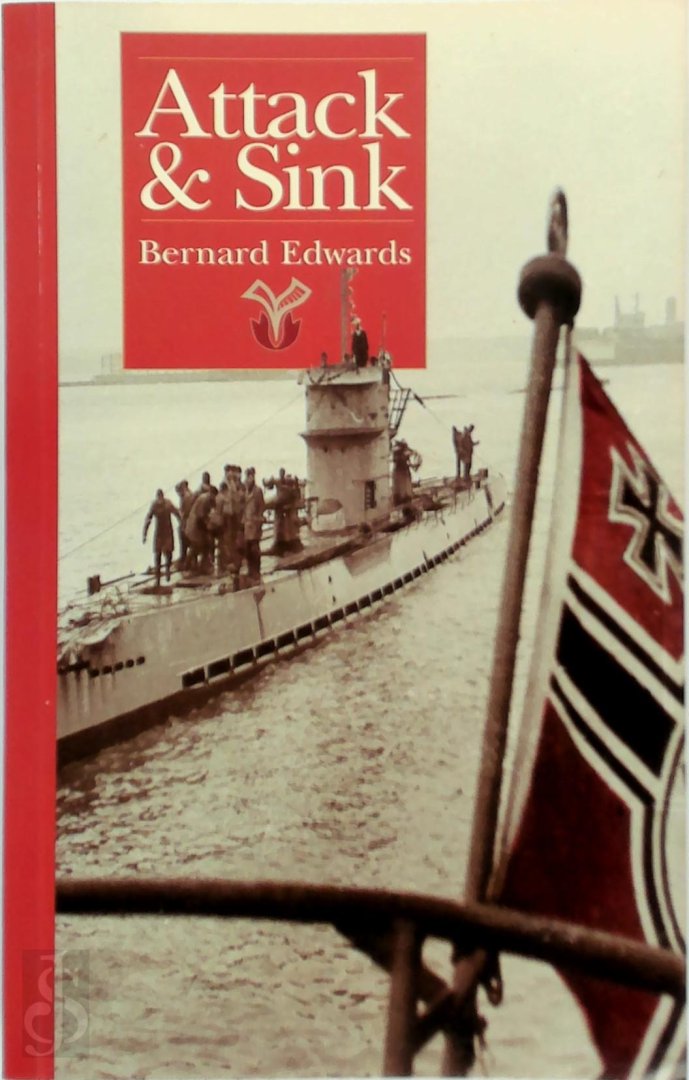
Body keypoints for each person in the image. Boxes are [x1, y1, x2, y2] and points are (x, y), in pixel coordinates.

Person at [143, 489, 181, 587]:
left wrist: (182, 524)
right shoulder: (154, 505)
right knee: (157, 554)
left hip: (167, 531)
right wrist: (145, 534)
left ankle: (167, 569)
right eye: (158, 498)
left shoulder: (168, 504)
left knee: (168, 553)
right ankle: (158, 579)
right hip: (159, 533)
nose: (159, 500)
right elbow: (148, 519)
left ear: (163, 497)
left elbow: (177, 513)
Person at [243, 467, 265, 582]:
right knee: (247, 549)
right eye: (247, 476)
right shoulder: (245, 490)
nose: (248, 479)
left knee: (255, 549)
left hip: (255, 524)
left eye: (250, 476)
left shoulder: (258, 491)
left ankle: (256, 571)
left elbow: (261, 506)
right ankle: (250, 570)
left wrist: (259, 520)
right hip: (247, 524)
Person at [175, 479, 195, 568]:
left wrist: (179, 513)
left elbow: (185, 512)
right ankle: (189, 560)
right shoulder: (190, 494)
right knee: (189, 542)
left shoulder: (186, 497)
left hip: (187, 523)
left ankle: (185, 561)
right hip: (190, 522)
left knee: (184, 542)